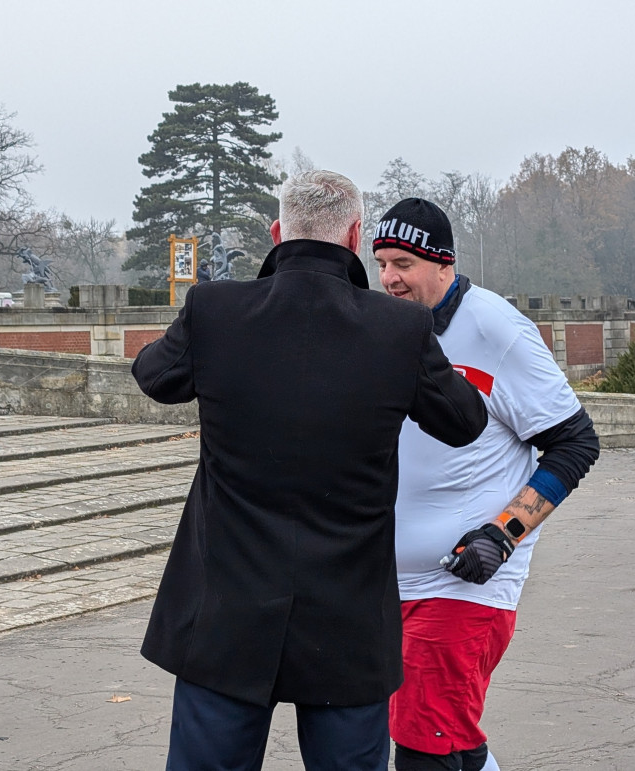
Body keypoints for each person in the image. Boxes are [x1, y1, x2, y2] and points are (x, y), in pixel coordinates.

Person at [131, 173, 488, 770]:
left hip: (225, 609)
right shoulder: (399, 329)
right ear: (355, 236)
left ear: (276, 233)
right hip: (347, 616)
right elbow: (465, 420)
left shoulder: (214, 309)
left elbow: (154, 377)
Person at [373, 198, 600, 771]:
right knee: (433, 738)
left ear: (444, 264)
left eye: (403, 263)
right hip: (384, 581)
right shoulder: (391, 328)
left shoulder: (496, 329)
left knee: (431, 746)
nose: (389, 278)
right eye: (381, 263)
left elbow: (575, 443)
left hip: (463, 581)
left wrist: (504, 533)